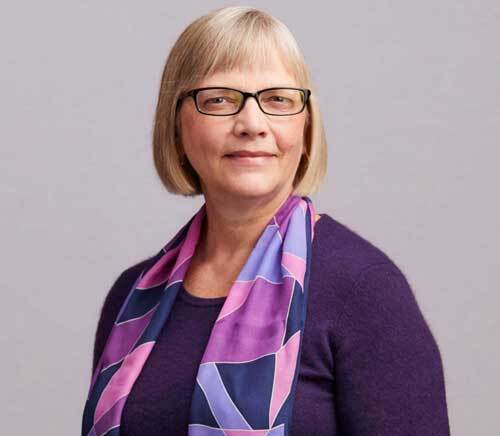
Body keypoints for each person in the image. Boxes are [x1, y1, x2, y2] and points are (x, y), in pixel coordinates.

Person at [82, 6, 450, 436]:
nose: (252, 124)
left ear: (305, 125)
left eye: (278, 99)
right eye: (219, 99)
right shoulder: (131, 298)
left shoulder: (364, 290)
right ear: (177, 125)